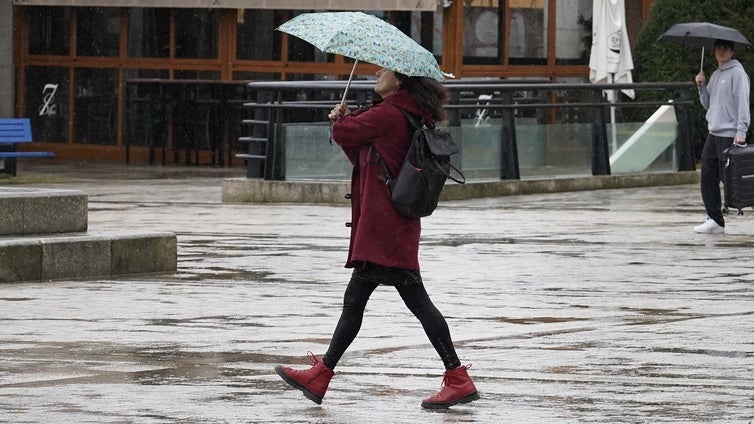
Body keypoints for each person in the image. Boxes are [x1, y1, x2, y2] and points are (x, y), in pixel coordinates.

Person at [274, 67, 479, 409]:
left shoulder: (388, 114)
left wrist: (341, 118)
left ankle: (457, 377)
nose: (376, 75)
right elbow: (363, 154)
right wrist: (346, 123)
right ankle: (322, 374)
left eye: (383, 71)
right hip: (391, 226)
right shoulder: (407, 114)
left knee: (404, 301)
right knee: (363, 299)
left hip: (385, 228)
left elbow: (346, 134)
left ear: (399, 79)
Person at [694, 38, 750, 234]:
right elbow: (709, 104)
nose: (722, 51)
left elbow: (743, 103)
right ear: (714, 51)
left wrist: (741, 132)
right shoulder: (716, 75)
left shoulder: (738, 74)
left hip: (729, 134)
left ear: (732, 51)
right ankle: (715, 220)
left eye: (726, 48)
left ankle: (716, 219)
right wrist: (702, 87)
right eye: (719, 48)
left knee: (732, 181)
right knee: (708, 177)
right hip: (713, 133)